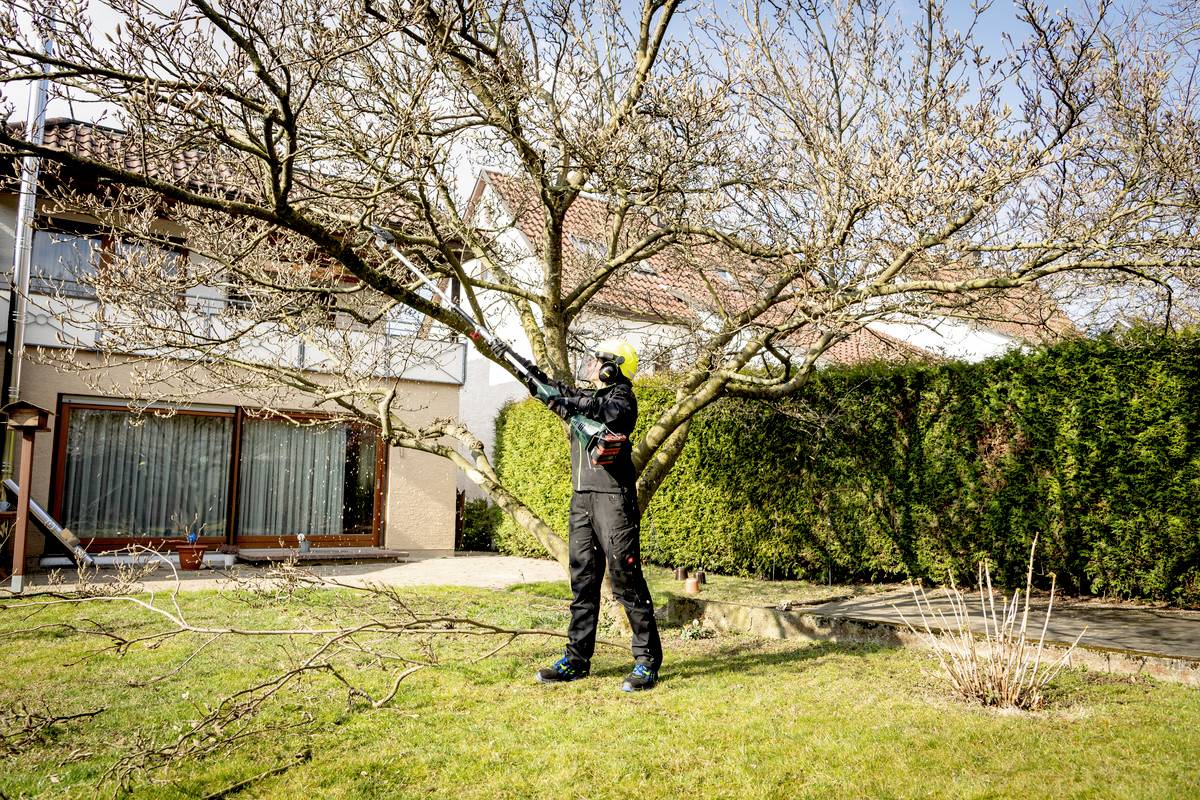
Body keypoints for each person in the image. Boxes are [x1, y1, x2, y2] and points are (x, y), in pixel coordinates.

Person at [510, 339, 662, 692]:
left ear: (613, 367)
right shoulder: (585, 399)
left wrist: (561, 399)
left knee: (626, 580)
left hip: (613, 501)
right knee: (582, 581)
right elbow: (557, 392)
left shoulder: (621, 400)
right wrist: (526, 372)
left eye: (598, 361)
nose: (592, 365)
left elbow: (597, 408)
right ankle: (577, 661)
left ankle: (646, 662)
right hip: (582, 500)